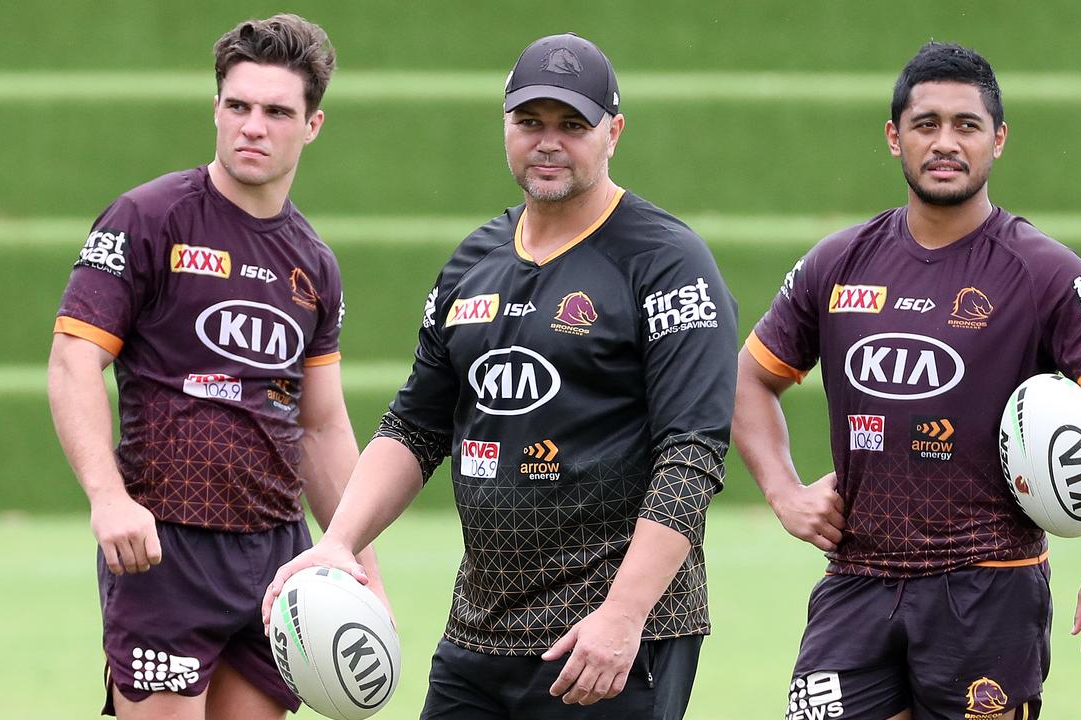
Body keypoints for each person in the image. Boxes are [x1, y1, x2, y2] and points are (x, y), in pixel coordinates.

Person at [261, 32, 737, 719]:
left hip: (606, 646)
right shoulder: (473, 262)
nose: (548, 142)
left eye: (572, 125)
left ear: (614, 132)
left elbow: (691, 456)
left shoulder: (667, 262)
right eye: (529, 122)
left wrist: (624, 616)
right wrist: (338, 543)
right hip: (478, 638)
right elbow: (415, 427)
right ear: (505, 126)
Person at [733, 42, 1081, 720]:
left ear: (999, 140)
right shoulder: (839, 262)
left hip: (988, 588)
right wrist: (783, 492)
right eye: (926, 124)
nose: (945, 142)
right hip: (856, 581)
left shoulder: (1042, 271)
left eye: (967, 125)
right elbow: (749, 379)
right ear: (893, 136)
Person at [47, 14, 385, 719]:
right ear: (216, 110)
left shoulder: (314, 262)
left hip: (274, 557)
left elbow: (321, 426)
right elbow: (75, 360)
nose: (252, 126)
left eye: (275, 111)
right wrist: (107, 498)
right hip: (163, 550)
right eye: (238, 106)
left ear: (313, 124)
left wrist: (357, 558)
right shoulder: (147, 218)